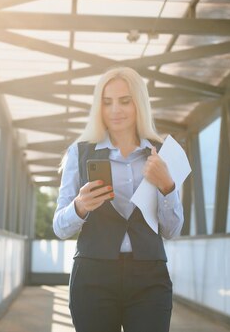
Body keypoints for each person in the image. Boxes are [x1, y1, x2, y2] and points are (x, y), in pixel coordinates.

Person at [53, 67, 184, 332]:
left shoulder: (161, 153)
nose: (115, 110)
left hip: (150, 277)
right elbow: (59, 227)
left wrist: (167, 186)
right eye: (107, 102)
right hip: (93, 276)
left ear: (139, 104)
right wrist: (79, 207)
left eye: (125, 101)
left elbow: (172, 230)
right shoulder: (79, 153)